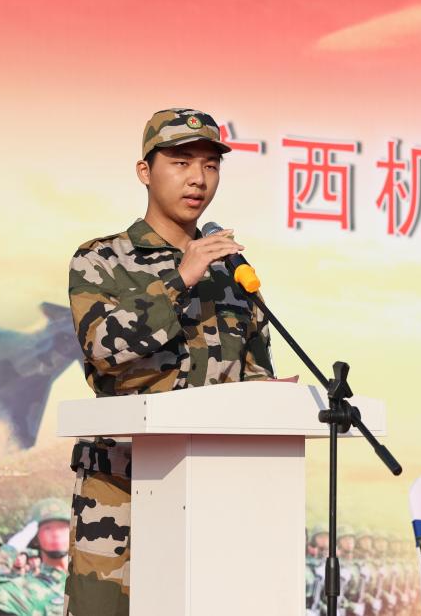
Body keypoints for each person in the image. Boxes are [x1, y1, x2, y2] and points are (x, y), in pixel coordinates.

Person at [65, 108, 278, 615]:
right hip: (121, 492)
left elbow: (257, 374)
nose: (198, 179)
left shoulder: (232, 274)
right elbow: (102, 349)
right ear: (145, 171)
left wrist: (272, 394)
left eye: (210, 165)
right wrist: (180, 279)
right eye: (181, 163)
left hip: (214, 489)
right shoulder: (102, 259)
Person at [0, 497, 69, 616]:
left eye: (62, 527)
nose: (56, 534)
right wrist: (11, 549)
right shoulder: (25, 590)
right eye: (47, 528)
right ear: (35, 537)